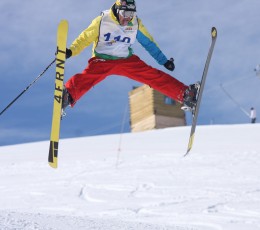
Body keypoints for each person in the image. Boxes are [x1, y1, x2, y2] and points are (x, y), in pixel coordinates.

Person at [62, 0, 199, 114]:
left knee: (152, 75)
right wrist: (71, 51)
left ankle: (186, 95)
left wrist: (163, 60)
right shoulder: (102, 21)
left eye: (131, 14)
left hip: (126, 60)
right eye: (125, 13)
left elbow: (148, 42)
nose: (127, 18)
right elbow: (84, 38)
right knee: (87, 77)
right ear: (117, 10)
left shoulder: (135, 23)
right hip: (102, 59)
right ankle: (67, 95)